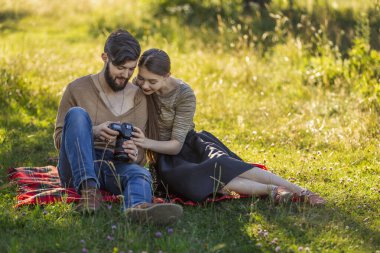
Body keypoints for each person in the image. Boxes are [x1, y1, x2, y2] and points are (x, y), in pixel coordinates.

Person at [131, 48, 326, 206]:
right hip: (167, 159)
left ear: (167, 75)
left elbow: (176, 145)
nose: (145, 86)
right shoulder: (138, 86)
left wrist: (145, 141)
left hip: (187, 144)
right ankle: (272, 191)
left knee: (227, 166)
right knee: (209, 180)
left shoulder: (184, 94)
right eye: (142, 78)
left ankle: (301, 191)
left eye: (152, 81)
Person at [53, 30, 183, 224]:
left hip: (115, 165)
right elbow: (59, 140)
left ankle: (138, 209)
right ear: (105, 58)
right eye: (120, 67)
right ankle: (89, 193)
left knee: (141, 173)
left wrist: (134, 152)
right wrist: (93, 131)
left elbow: (139, 149)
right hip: (77, 166)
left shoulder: (139, 96)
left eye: (131, 69)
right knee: (78, 115)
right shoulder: (77, 89)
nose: (126, 75)